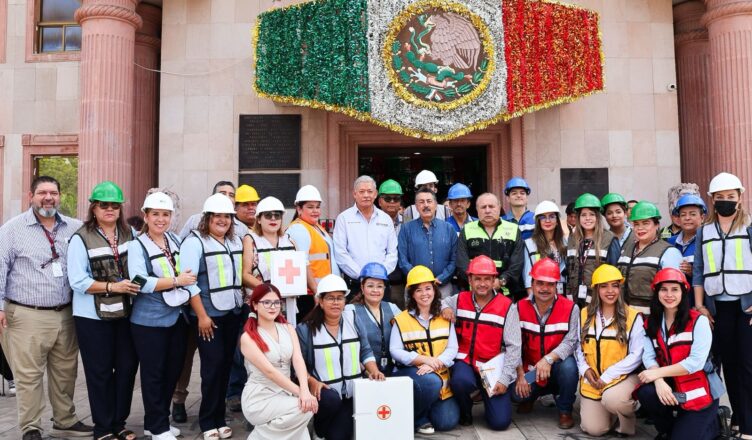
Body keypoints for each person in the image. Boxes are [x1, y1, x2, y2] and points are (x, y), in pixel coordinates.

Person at [0, 176, 93, 440]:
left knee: (65, 372)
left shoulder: (75, 227)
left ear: (60, 196)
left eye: (53, 192)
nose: (48, 197)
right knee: (28, 376)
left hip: (66, 313)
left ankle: (65, 422)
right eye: (42, 192)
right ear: (31, 196)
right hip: (26, 314)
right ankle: (31, 427)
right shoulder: (12, 230)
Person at [67, 181, 139, 440]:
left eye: (114, 205)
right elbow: (77, 280)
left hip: (126, 313)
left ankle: (119, 423)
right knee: (99, 372)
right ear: (94, 208)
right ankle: (103, 428)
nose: (110, 209)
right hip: (92, 317)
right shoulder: (80, 238)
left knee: (127, 368)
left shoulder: (130, 233)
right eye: (104, 205)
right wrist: (112, 286)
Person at [173, 180, 246, 421]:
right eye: (217, 216)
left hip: (231, 314)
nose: (223, 220)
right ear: (207, 218)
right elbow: (189, 282)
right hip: (208, 318)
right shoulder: (194, 242)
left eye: (227, 216)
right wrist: (202, 317)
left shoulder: (235, 241)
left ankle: (218, 417)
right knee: (212, 369)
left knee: (224, 367)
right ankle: (208, 422)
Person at [128, 192, 197, 440]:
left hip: (177, 317)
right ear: (146, 216)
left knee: (172, 370)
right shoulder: (137, 246)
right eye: (155, 214)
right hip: (149, 321)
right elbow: (139, 281)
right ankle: (158, 428)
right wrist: (176, 281)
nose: (160, 219)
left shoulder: (174, 239)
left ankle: (155, 421)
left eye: (165, 214)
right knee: (154, 373)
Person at [692, 172, 752, 439]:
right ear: (712, 200)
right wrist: (700, 305)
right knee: (729, 364)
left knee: (747, 365)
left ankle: (749, 426)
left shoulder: (749, 227)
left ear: (739, 198)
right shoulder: (704, 231)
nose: (725, 200)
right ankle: (738, 419)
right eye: (720, 197)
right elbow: (698, 270)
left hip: (746, 307)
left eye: (730, 196)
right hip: (718, 309)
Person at [637, 268, 724, 440]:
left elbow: (695, 363)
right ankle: (669, 428)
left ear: (683, 292)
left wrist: (656, 373)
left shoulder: (699, 321)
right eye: (664, 289)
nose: (669, 295)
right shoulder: (650, 323)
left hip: (700, 392)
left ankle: (714, 423)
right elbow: (648, 356)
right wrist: (658, 381)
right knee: (646, 393)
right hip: (673, 388)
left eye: (675, 289)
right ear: (656, 292)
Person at [297, 274, 385, 440]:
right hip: (325, 396)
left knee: (339, 436)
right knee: (330, 402)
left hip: (352, 393)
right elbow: (299, 365)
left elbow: (365, 350)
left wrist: (373, 370)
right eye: (330, 298)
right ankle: (318, 429)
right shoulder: (305, 329)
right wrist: (312, 382)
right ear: (320, 301)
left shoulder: (353, 319)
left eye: (340, 298)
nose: (336, 302)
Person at [439, 255, 520, 430]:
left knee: (500, 423)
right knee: (460, 381)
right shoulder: (459, 299)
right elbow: (439, 302)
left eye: (487, 279)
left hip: (492, 367)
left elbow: (514, 347)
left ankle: (486, 396)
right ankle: (465, 410)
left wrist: (504, 379)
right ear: (470, 280)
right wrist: (445, 307)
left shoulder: (507, 306)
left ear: (494, 281)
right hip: (465, 363)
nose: (482, 284)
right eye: (477, 279)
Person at [240, 283, 317, 439]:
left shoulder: (288, 328)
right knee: (305, 409)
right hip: (260, 397)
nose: (273, 307)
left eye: (276, 302)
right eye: (266, 302)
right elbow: (270, 372)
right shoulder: (248, 338)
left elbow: (298, 359)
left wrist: (305, 389)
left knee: (300, 424)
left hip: (285, 393)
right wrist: (301, 393)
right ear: (255, 305)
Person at [575, 264, 643, 437]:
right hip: (594, 381)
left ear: (620, 288)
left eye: (615, 285)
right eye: (604, 286)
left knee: (613, 400)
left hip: (622, 378)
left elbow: (637, 355)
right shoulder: (584, 314)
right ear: (596, 289)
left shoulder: (632, 316)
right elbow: (577, 347)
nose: (610, 291)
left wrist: (608, 375)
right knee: (594, 429)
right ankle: (610, 414)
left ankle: (626, 419)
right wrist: (585, 369)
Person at [391, 266, 460, 434]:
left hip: (440, 376)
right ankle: (418, 418)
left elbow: (453, 348)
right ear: (412, 294)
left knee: (446, 422)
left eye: (428, 288)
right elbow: (395, 350)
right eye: (418, 290)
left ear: (435, 290)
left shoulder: (445, 317)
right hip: (414, 373)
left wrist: (435, 363)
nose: (424, 294)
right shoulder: (401, 319)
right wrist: (424, 360)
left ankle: (427, 406)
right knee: (430, 382)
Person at [512, 258, 579, 430]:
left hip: (556, 368)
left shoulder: (571, 308)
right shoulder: (518, 308)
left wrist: (548, 359)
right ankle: (531, 396)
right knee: (515, 394)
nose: (544, 288)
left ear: (556, 285)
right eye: (540, 283)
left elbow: (571, 341)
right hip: (532, 372)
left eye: (550, 284)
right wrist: (520, 374)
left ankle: (565, 409)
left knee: (569, 368)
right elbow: (514, 345)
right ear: (532, 283)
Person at [244, 196, 315, 320]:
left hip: (288, 305)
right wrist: (270, 291)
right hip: (261, 303)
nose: (273, 218)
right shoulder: (251, 240)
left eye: (277, 215)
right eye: (268, 215)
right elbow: (245, 275)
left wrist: (317, 292)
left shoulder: (289, 241)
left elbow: (304, 266)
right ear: (259, 219)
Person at [333, 176, 398, 296]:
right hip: (354, 283)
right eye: (362, 192)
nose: (366, 195)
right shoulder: (344, 218)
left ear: (375, 194)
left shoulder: (386, 219)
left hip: (381, 283)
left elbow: (392, 253)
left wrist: (379, 274)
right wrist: (362, 275)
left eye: (369, 191)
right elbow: (340, 252)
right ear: (354, 194)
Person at [617, 201, 682, 315]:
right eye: (636, 224)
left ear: (656, 225)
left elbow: (675, 293)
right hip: (625, 317)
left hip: (652, 318)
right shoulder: (626, 249)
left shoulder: (669, 252)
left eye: (645, 223)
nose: (640, 228)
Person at [456, 193, 524, 299]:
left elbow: (517, 264)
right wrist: (478, 283)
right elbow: (461, 262)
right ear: (477, 210)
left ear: (499, 207)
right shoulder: (467, 230)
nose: (487, 210)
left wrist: (501, 281)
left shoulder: (513, 229)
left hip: (505, 293)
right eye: (483, 207)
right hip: (474, 293)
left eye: (491, 206)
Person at [398, 189, 458, 299]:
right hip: (415, 287)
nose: (426, 205)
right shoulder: (406, 229)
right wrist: (419, 279)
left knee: (445, 310)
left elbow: (454, 259)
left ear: (435, 205)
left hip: (442, 286)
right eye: (421, 202)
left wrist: (442, 278)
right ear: (416, 206)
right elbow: (402, 259)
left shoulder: (448, 229)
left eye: (429, 201)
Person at [565, 193, 620, 307]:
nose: (587, 218)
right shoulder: (572, 239)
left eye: (592, 214)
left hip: (598, 302)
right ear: (578, 218)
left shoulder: (609, 239)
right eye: (583, 215)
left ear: (597, 217)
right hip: (574, 302)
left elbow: (615, 275)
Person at [346, 263, 400, 375]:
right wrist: (365, 371)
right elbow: (348, 349)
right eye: (370, 286)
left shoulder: (393, 308)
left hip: (391, 371)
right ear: (362, 287)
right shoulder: (350, 310)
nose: (375, 290)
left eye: (379, 286)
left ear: (384, 288)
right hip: (362, 373)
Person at [287, 185, 339, 294]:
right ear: (299, 209)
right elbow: (303, 263)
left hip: (325, 290)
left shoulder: (315, 226)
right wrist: (316, 292)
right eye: (310, 207)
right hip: (313, 293)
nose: (315, 211)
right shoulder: (298, 229)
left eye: (318, 207)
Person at [523, 201, 567, 296]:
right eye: (543, 217)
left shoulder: (565, 242)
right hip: (541, 292)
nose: (547, 220)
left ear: (557, 221)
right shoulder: (529, 244)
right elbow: (528, 276)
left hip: (562, 292)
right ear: (538, 222)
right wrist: (533, 299)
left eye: (552, 216)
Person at [179, 181, 248, 240]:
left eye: (231, 195)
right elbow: (180, 243)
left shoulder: (242, 228)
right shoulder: (195, 220)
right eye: (223, 194)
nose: (227, 197)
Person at [376, 179, 407, 308]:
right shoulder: (372, 223)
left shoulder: (408, 223)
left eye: (396, 198)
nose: (392, 202)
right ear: (380, 201)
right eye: (388, 199)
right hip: (378, 281)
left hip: (401, 283)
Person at [668, 195, 706, 295]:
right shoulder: (670, 242)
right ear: (678, 219)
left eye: (692, 214)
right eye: (683, 215)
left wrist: (694, 272)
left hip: (700, 299)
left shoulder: (707, 241)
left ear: (702, 217)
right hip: (674, 299)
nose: (687, 218)